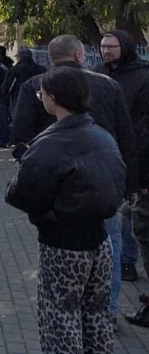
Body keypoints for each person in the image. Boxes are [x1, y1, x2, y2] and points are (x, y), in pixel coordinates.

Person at [13, 34, 139, 326]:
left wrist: (33, 180)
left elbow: (19, 137)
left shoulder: (37, 86)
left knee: (61, 256)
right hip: (105, 183)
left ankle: (68, 315)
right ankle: (105, 312)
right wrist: (128, 184)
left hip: (58, 192)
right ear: (81, 55)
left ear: (50, 58)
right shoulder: (108, 84)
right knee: (110, 244)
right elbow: (126, 136)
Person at [6, 67, 124, 354]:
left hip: (63, 245)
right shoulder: (101, 135)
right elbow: (117, 180)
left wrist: (50, 213)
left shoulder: (51, 143)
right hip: (101, 239)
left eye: (41, 94)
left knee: (60, 319)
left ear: (52, 99)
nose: (40, 98)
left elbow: (22, 193)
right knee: (95, 316)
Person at [98, 31, 149, 318]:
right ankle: (126, 264)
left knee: (135, 219)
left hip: (137, 155)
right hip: (108, 155)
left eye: (111, 47)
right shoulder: (98, 75)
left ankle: (128, 263)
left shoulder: (142, 75)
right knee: (126, 220)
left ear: (125, 47)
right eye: (103, 47)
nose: (106, 51)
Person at [6, 48, 47, 113]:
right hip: (39, 100)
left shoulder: (14, 70)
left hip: (19, 100)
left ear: (19, 57)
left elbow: (7, 87)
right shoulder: (41, 69)